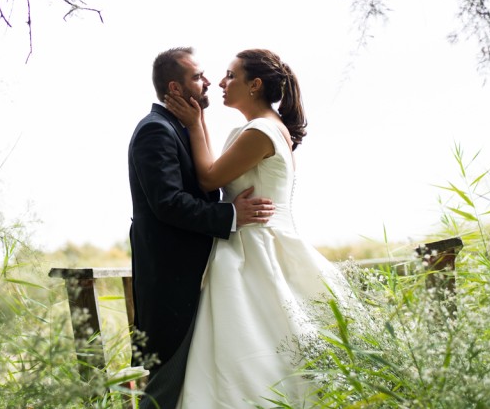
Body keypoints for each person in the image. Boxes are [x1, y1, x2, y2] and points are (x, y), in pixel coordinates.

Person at [165, 48, 355, 408]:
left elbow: (208, 178)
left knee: (254, 350)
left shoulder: (260, 132)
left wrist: (195, 123)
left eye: (231, 75)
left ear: (254, 85)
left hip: (254, 250)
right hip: (257, 242)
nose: (221, 82)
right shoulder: (261, 129)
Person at [128, 47, 276, 409]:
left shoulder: (178, 129)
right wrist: (230, 215)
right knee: (164, 392)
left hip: (196, 279)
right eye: (197, 76)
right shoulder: (155, 131)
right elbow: (168, 203)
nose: (208, 81)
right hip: (172, 285)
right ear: (175, 89)